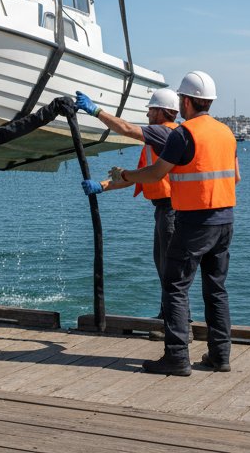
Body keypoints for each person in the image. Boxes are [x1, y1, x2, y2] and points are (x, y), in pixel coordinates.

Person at [92, 71, 239, 376]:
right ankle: (220, 355)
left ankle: (176, 357)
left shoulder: (184, 135)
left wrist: (126, 176)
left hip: (194, 221)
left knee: (175, 287)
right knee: (216, 289)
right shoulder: (226, 133)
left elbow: (156, 173)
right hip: (224, 220)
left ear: (186, 101)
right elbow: (234, 176)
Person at [74, 88, 181, 320]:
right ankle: (169, 316)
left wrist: (96, 111)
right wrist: (101, 185)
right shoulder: (159, 142)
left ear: (162, 111)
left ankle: (177, 321)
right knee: (163, 265)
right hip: (165, 210)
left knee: (170, 269)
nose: (147, 116)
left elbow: (126, 129)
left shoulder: (165, 134)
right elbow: (136, 176)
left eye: (151, 110)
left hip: (172, 210)